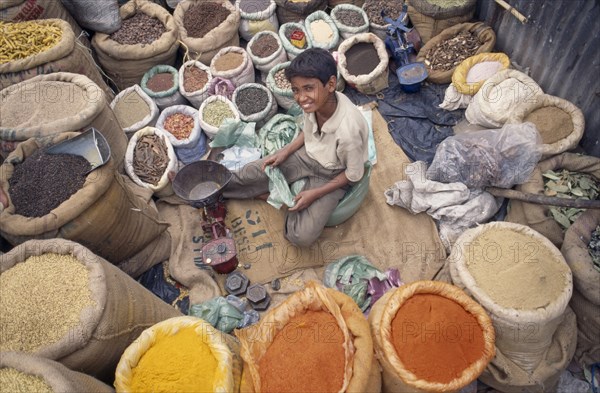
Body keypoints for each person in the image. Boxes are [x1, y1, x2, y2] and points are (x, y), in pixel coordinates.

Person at [223, 48, 369, 247]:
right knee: (250, 173)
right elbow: (307, 131)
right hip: (307, 156)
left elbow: (353, 176)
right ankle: (216, 190)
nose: (300, 98)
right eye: (296, 90)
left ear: (331, 84)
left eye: (308, 88)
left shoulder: (348, 132)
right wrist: (286, 151)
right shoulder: (316, 105)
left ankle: (276, 198)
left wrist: (315, 194)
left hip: (333, 174)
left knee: (301, 236)